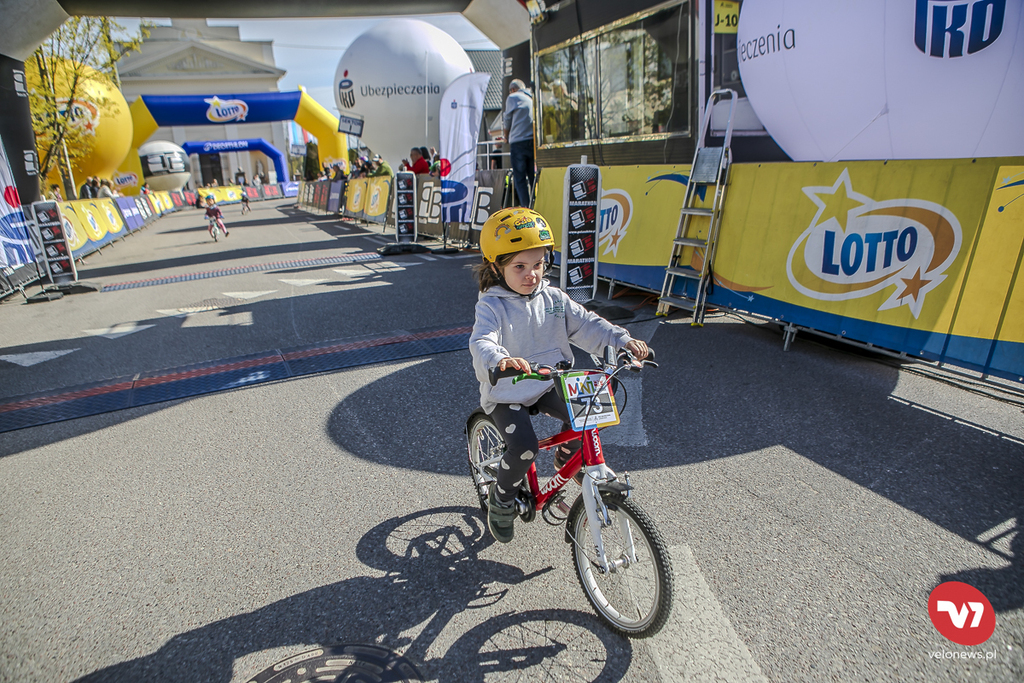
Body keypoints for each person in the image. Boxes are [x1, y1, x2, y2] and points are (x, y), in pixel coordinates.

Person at [469, 207, 649, 543]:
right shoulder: (492, 306)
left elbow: (588, 324)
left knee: (593, 410)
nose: (531, 274)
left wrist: (622, 341)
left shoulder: (553, 299)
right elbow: (483, 341)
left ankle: (566, 456)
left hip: (549, 380)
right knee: (524, 447)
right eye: (519, 267)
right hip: (509, 390)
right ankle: (501, 500)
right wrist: (501, 360)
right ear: (496, 267)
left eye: (538, 264)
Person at [504, 79, 535, 207]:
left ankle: (526, 207)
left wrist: (505, 136)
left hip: (518, 142)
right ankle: (536, 204)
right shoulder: (531, 98)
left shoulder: (512, 97)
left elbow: (507, 119)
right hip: (531, 141)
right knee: (532, 177)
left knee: (520, 179)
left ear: (512, 89)